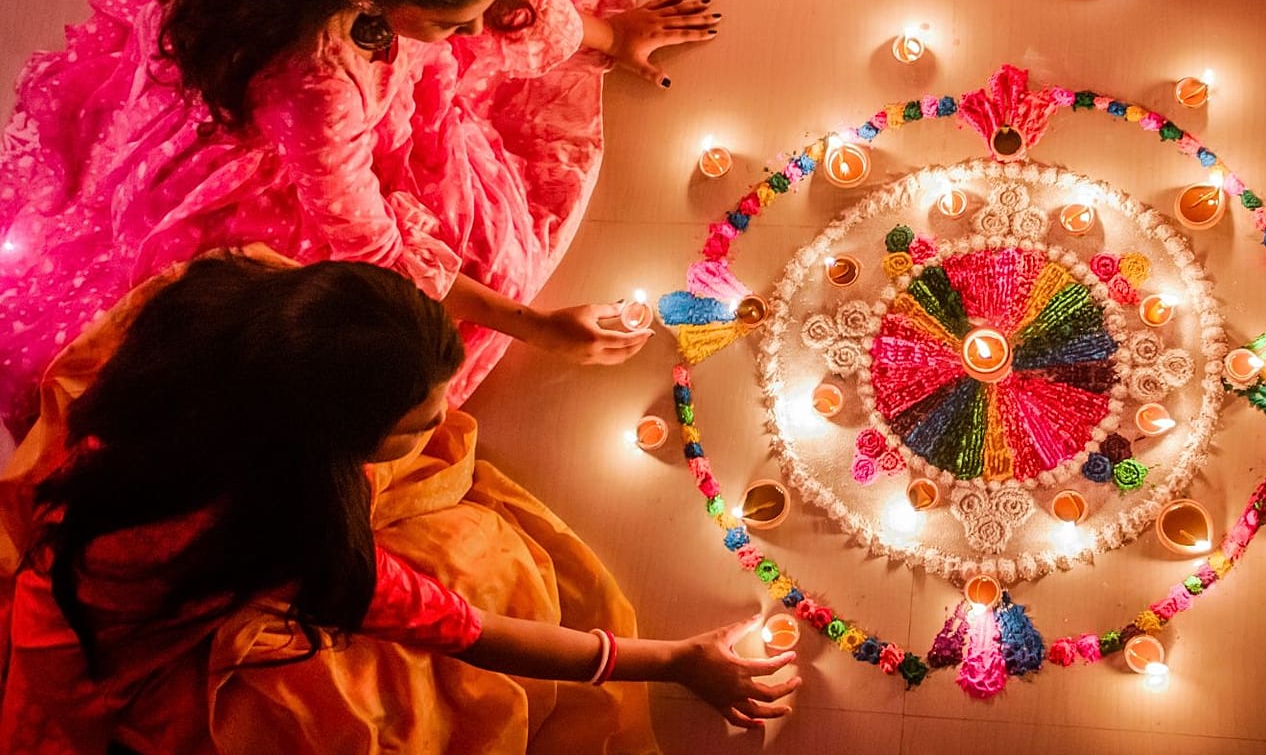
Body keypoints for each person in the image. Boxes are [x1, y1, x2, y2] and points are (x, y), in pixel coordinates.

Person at [0, 250, 798, 753]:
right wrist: (677, 663)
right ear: (322, 445)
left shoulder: (248, 298)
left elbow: (406, 286)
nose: (445, 421)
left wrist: (540, 326)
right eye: (414, 422)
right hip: (100, 663)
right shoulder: (279, 532)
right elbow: (468, 632)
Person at [0, 0, 721, 438]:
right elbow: (374, 247)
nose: (472, 36)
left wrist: (608, 33)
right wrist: (532, 324)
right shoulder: (314, 84)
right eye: (446, 22)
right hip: (285, 167)